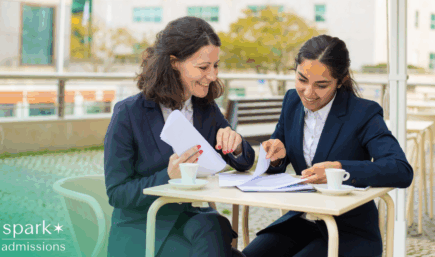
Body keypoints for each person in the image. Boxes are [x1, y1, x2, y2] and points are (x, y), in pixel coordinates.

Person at [242, 35, 413, 257]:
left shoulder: (363, 113)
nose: (308, 93)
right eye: (302, 79)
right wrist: (275, 157)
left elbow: (400, 169)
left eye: (321, 85)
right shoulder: (292, 101)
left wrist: (339, 170)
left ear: (340, 81)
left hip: (351, 231)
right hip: (300, 221)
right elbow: (275, 166)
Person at [104, 16, 254, 257]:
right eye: (203, 67)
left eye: (215, 66)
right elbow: (117, 193)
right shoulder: (129, 113)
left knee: (215, 223)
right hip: (144, 228)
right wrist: (167, 176)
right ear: (174, 63)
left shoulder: (206, 109)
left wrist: (235, 145)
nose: (213, 75)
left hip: (192, 221)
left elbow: (244, 161)